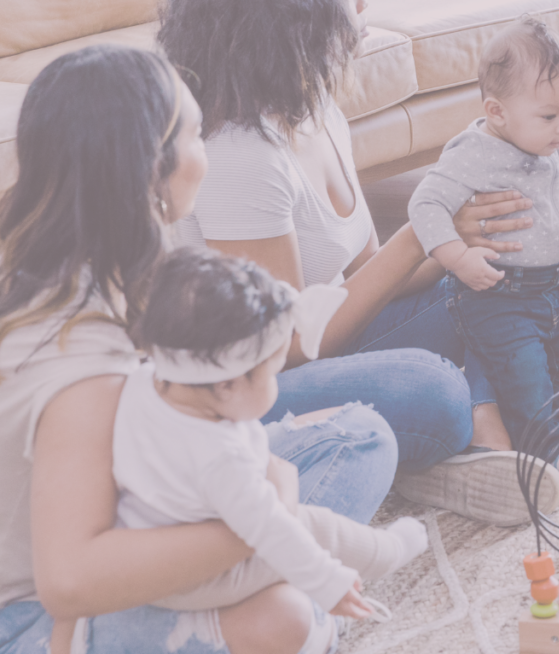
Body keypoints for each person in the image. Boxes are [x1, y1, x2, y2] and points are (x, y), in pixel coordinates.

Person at [160, 0, 559, 525]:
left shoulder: (317, 110)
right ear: (296, 14)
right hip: (247, 390)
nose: (363, 0)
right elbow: (286, 349)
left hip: (333, 347)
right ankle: (438, 441)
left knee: (508, 282)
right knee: (433, 391)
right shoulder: (239, 154)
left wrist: (456, 237)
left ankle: (467, 446)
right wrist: (416, 237)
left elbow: (362, 277)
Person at [0, 45, 398, 654]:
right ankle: (306, 587)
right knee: (284, 618)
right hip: (33, 614)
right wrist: (257, 522)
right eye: (196, 133)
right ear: (149, 169)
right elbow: (69, 581)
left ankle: (295, 567)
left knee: (360, 435)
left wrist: (264, 492)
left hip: (140, 496)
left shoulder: (67, 264)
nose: (207, 154)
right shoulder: (84, 360)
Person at [111, 248, 427, 633]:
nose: (275, 384)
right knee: (312, 526)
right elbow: (274, 529)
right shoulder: (222, 457)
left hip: (147, 558)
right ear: (227, 383)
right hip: (199, 583)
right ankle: (381, 556)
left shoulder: (145, 383)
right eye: (271, 374)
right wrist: (328, 583)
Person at [407, 17, 559, 456]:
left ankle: (554, 434)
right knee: (525, 377)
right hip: (500, 298)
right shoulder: (475, 153)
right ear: (497, 111)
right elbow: (425, 204)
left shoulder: (544, 143)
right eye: (551, 115)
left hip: (554, 291)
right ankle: (540, 457)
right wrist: (457, 258)